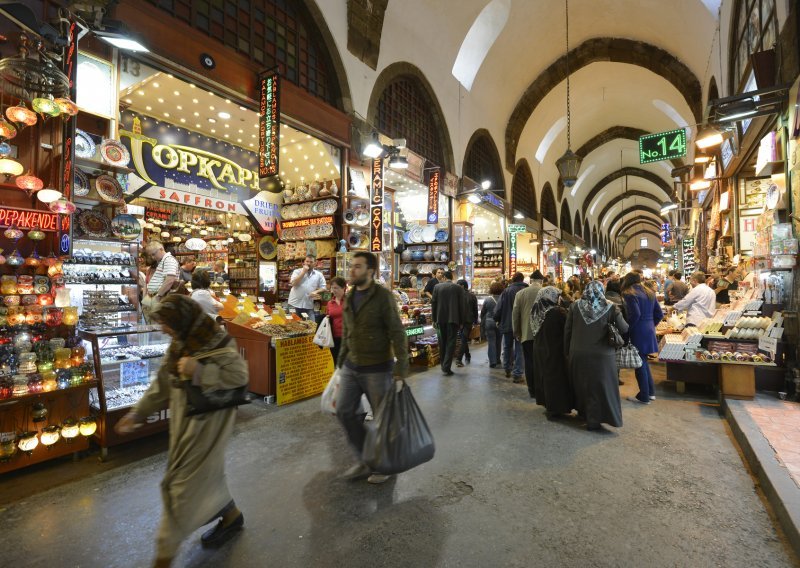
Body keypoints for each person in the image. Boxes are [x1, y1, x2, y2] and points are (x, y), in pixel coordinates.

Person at [115, 296, 248, 566]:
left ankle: (164, 555)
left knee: (181, 486)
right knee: (205, 475)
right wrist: (138, 412)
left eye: (166, 323)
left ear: (182, 320)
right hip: (185, 422)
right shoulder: (180, 343)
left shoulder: (218, 343)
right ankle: (231, 516)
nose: (163, 329)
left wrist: (198, 371)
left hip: (207, 425)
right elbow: (163, 382)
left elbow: (240, 377)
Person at [336, 252, 409, 484]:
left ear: (370, 271)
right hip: (351, 365)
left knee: (383, 419)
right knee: (345, 412)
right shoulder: (349, 297)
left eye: (357, 267)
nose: (352, 270)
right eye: (351, 266)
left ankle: (385, 463)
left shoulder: (383, 297)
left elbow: (396, 332)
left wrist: (401, 369)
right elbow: (347, 332)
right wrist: (340, 362)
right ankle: (366, 458)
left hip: (377, 367)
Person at [565, 281, 629, 430]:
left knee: (581, 384)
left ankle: (584, 413)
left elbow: (567, 331)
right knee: (601, 388)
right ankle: (595, 420)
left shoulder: (575, 306)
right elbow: (624, 328)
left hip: (578, 353)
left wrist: (567, 352)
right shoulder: (611, 306)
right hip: (603, 356)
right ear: (602, 290)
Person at [622, 272, 663, 404]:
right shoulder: (650, 292)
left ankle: (644, 396)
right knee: (643, 362)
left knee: (639, 364)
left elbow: (635, 314)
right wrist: (651, 324)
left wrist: (627, 329)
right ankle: (650, 393)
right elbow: (659, 314)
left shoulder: (629, 293)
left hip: (637, 331)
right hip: (649, 330)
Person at [530, 286, 571, 416]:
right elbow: (566, 329)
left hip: (539, 347)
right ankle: (556, 407)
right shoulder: (556, 312)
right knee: (555, 378)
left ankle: (547, 403)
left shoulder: (536, 310)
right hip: (553, 349)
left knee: (543, 376)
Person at [512, 270, 544, 394]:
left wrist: (517, 332)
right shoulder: (546, 293)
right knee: (542, 361)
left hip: (527, 334)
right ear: (542, 281)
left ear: (530, 281)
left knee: (529, 361)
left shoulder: (520, 294)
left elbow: (515, 315)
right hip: (543, 334)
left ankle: (532, 388)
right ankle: (542, 388)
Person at [431, 270, 467, 376]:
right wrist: (462, 321)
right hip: (453, 319)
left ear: (444, 277)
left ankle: (444, 365)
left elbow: (434, 304)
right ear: (452, 277)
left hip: (440, 319)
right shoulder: (458, 288)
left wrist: (434, 319)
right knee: (451, 343)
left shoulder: (437, 287)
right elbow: (462, 306)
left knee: (442, 342)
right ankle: (446, 367)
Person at [494, 272, 528, 382]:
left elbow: (498, 308)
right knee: (520, 348)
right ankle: (518, 373)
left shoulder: (506, 291)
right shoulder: (526, 291)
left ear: (513, 279)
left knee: (507, 346)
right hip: (522, 325)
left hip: (507, 324)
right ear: (522, 280)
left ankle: (507, 368)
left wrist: (497, 319)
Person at [142, 241, 180, 324]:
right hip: (154, 297)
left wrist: (159, 295)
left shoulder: (169, 260)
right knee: (152, 324)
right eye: (151, 255)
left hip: (160, 297)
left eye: (153, 254)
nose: (152, 257)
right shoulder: (163, 261)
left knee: (157, 325)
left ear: (161, 249)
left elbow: (170, 279)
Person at [288, 255, 327, 319]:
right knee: (293, 326)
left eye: (311, 262)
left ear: (315, 263)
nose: (308, 263)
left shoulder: (319, 275)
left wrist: (316, 291)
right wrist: (303, 272)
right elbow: (293, 283)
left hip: (308, 305)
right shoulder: (297, 271)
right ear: (304, 262)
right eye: (307, 261)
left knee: (312, 326)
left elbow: (324, 287)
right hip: (294, 304)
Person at [454, 279, 478, 367]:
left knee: (463, 339)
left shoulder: (457, 296)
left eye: (457, 285)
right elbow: (475, 310)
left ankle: (459, 359)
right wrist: (476, 321)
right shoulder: (472, 296)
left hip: (460, 321)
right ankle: (467, 354)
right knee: (464, 338)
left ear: (462, 286)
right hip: (468, 321)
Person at [480, 281, 503, 368]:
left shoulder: (488, 299)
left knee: (491, 342)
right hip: (500, 322)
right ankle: (498, 359)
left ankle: (492, 361)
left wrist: (482, 320)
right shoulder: (503, 299)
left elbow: (483, 312)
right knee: (499, 341)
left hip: (489, 322)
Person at [326, 276, 346, 365]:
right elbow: (328, 318)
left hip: (348, 338)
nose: (333, 290)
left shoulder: (350, 301)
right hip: (334, 338)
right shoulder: (330, 303)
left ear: (343, 288)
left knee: (347, 364)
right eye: (332, 288)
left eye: (336, 288)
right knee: (336, 363)